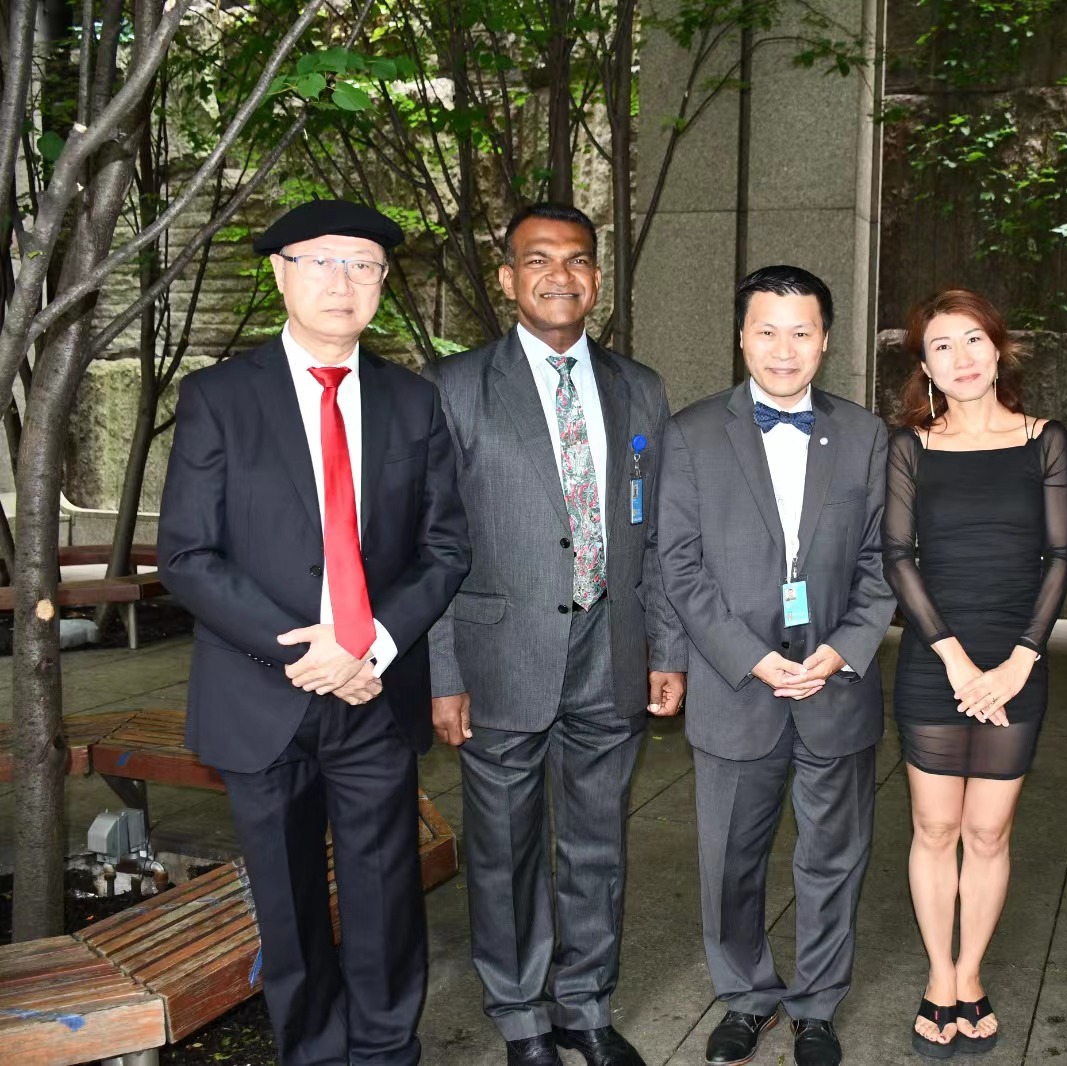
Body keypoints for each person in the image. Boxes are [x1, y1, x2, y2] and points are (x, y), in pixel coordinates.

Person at [157, 200, 471, 1065]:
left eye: (363, 265)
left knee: (387, 894)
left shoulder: (413, 402)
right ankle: (315, 1054)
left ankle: (385, 1051)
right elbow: (187, 554)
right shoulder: (220, 398)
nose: (343, 282)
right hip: (262, 690)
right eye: (322, 261)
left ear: (382, 283)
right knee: (288, 904)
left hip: (375, 691)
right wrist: (310, 651)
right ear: (280, 273)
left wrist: (368, 646)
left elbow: (445, 548)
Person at [426, 202, 687, 1066]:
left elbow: (656, 532)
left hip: (613, 648)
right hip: (498, 656)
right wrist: (441, 673)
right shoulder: (454, 387)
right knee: (503, 848)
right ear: (508, 278)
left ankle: (584, 1004)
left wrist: (666, 649)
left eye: (576, 260)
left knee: (597, 843)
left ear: (596, 280)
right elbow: (431, 543)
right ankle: (521, 1016)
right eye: (538, 260)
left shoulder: (640, 387)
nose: (559, 275)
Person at [656, 265, 896, 1066]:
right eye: (767, 330)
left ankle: (817, 1006)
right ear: (741, 337)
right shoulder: (692, 433)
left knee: (833, 858)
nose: (783, 349)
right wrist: (751, 658)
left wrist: (846, 647)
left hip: (836, 684)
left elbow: (883, 559)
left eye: (801, 332)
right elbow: (678, 563)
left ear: (825, 341)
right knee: (730, 861)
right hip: (736, 687)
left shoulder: (865, 436)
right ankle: (747, 996)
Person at [882, 289, 1067, 1056]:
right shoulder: (911, 446)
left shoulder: (1045, 440)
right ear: (924, 366)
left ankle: (971, 972)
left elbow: (1060, 557)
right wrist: (957, 660)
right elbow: (898, 558)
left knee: (988, 833)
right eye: (941, 346)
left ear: (999, 348)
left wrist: (1022, 658)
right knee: (935, 827)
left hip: (1017, 662)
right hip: (938, 660)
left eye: (972, 340)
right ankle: (940, 977)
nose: (960, 359)